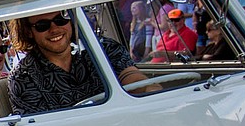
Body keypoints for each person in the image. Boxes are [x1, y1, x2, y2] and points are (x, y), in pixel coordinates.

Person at [8, 11, 145, 115]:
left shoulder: (105, 49)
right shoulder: (23, 77)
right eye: (42, 25)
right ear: (28, 32)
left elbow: (134, 79)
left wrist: (147, 90)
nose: (54, 29)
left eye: (61, 20)